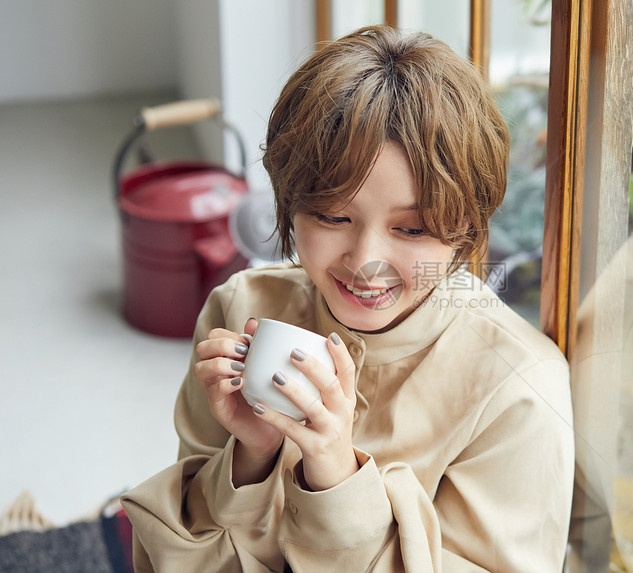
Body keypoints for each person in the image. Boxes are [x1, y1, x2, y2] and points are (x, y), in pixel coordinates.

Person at [121, 25, 574, 572]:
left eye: (412, 230)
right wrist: (252, 456)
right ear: (289, 206)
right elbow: (182, 551)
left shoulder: (519, 388)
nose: (365, 261)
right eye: (333, 217)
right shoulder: (241, 310)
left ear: (467, 228)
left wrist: (335, 476)